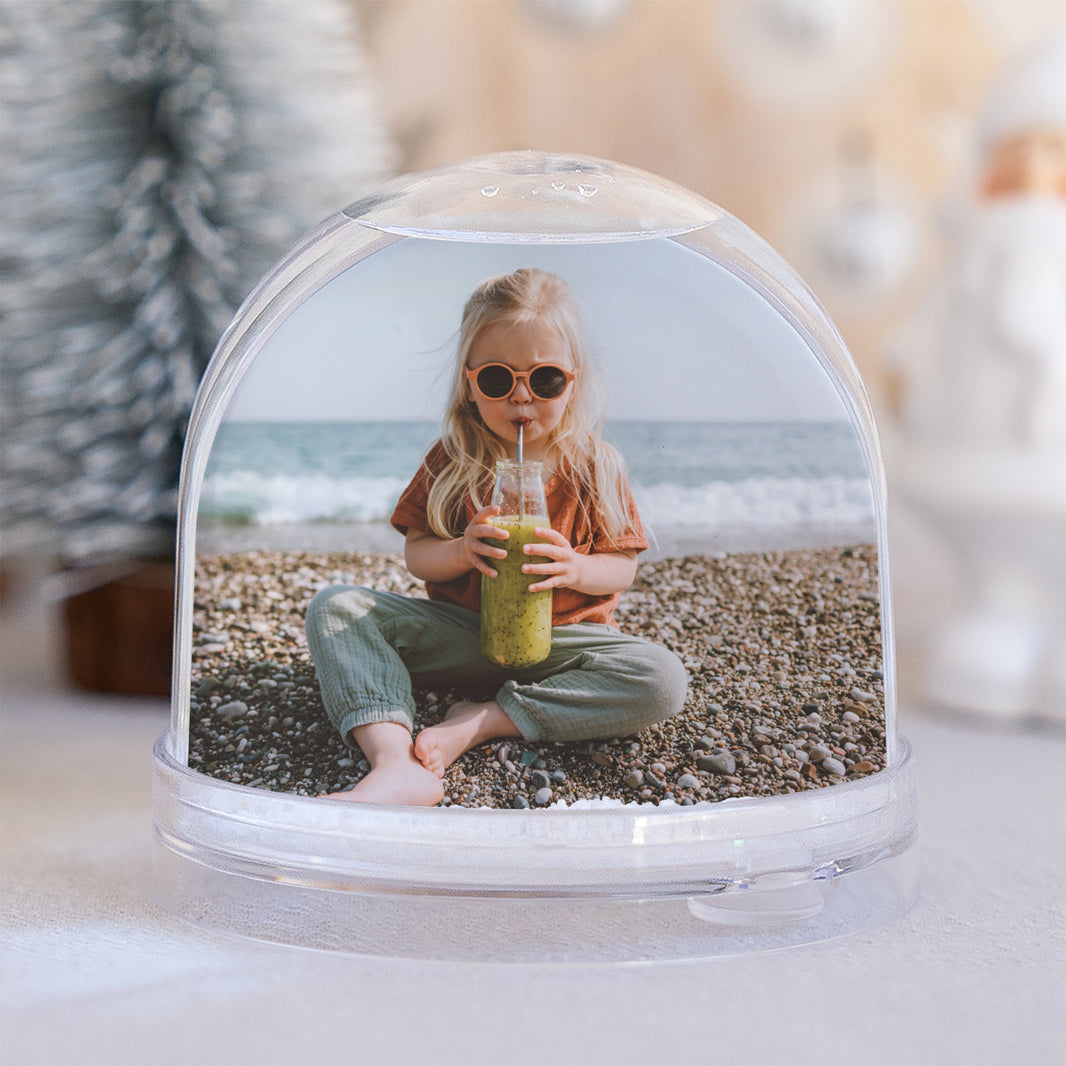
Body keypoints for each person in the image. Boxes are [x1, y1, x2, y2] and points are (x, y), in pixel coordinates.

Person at [305, 268, 689, 805]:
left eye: (545, 380)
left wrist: (576, 568)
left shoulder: (595, 466)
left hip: (562, 646)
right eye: (497, 380)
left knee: (661, 677)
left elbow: (621, 564)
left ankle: (485, 719)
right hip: (466, 635)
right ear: (469, 382)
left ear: (573, 380)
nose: (522, 399)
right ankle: (394, 762)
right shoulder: (452, 460)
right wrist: (461, 550)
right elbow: (418, 554)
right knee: (336, 607)